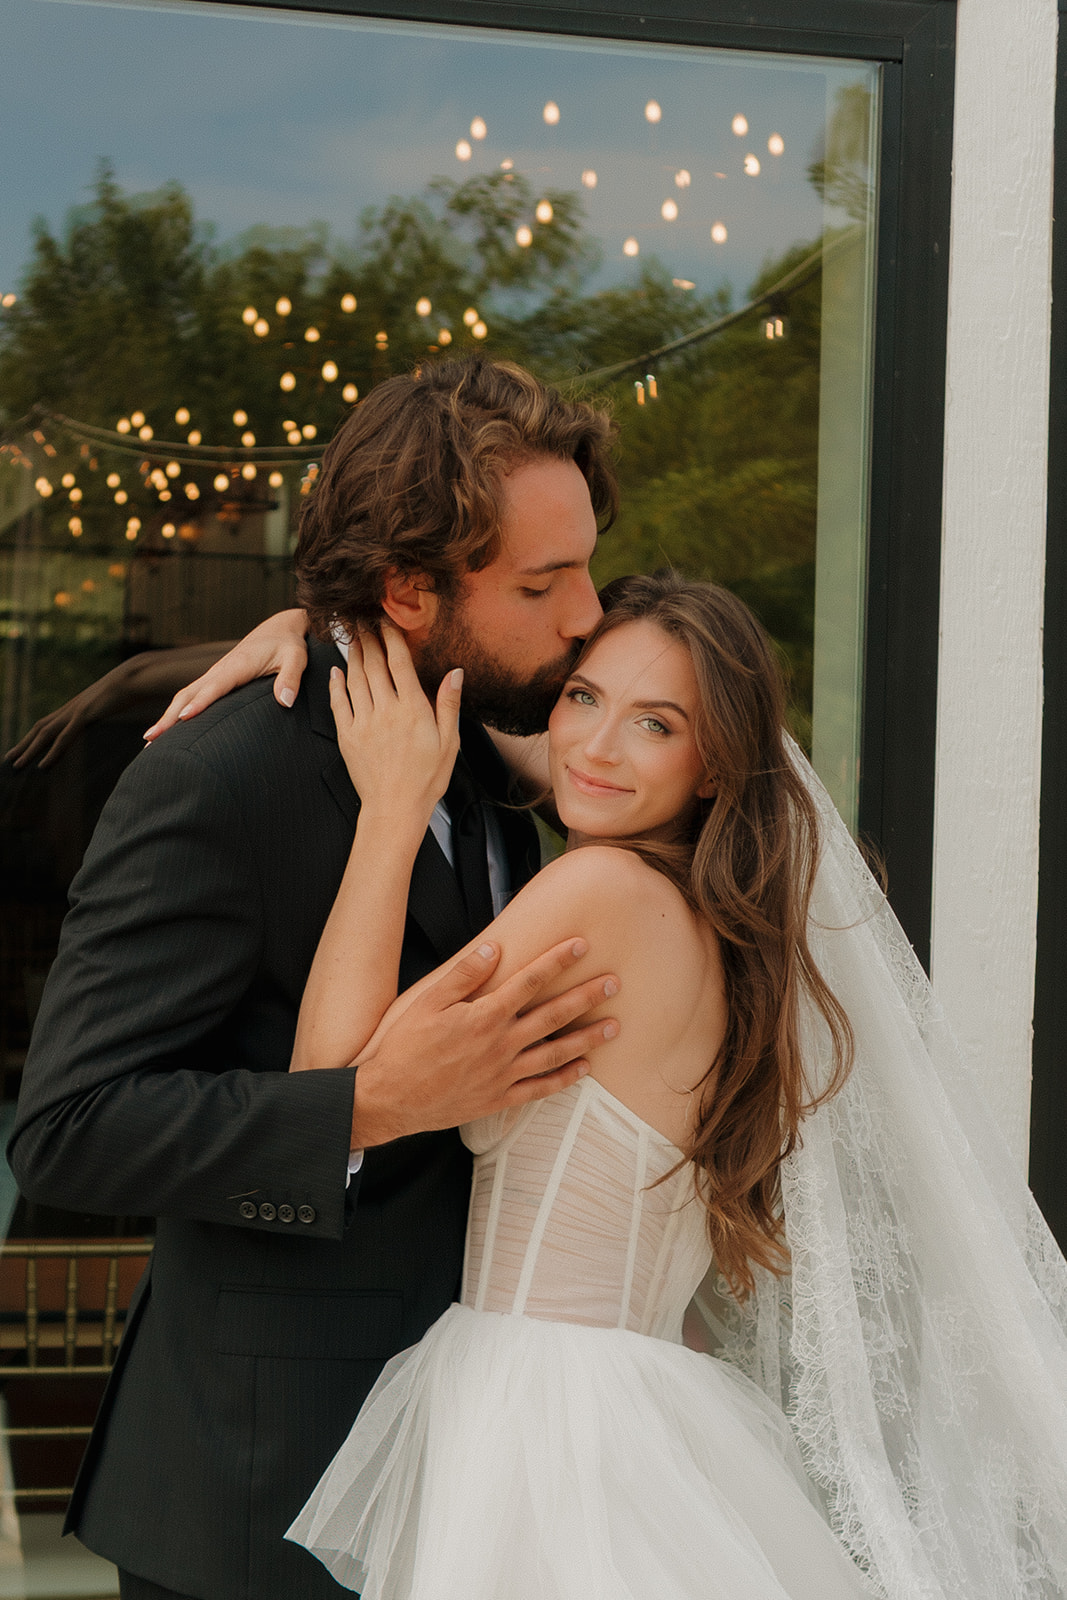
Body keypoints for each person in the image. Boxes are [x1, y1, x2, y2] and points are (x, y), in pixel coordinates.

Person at [168, 574, 1067, 1598]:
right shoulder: (716, 928)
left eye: (654, 723)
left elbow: (329, 1078)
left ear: (710, 764)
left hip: (543, 1409)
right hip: (632, 1398)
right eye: (583, 696)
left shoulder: (598, 892)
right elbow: (564, 756)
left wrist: (391, 807)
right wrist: (331, 634)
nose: (596, 744)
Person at [7, 357, 626, 1600]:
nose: (585, 615)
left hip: (473, 1469)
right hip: (263, 1497)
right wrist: (365, 1105)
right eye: (542, 582)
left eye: (588, 567)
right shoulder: (215, 776)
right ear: (405, 590)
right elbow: (67, 1131)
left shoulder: (495, 735)